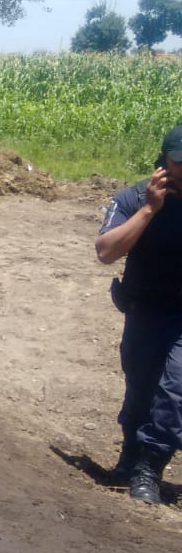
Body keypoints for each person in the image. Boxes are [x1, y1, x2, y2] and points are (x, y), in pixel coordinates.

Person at [95, 124, 182, 504]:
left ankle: (150, 466)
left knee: (176, 390)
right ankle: (130, 455)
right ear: (164, 161)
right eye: (180, 163)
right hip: (145, 308)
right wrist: (150, 209)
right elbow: (106, 252)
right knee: (141, 389)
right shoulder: (133, 197)